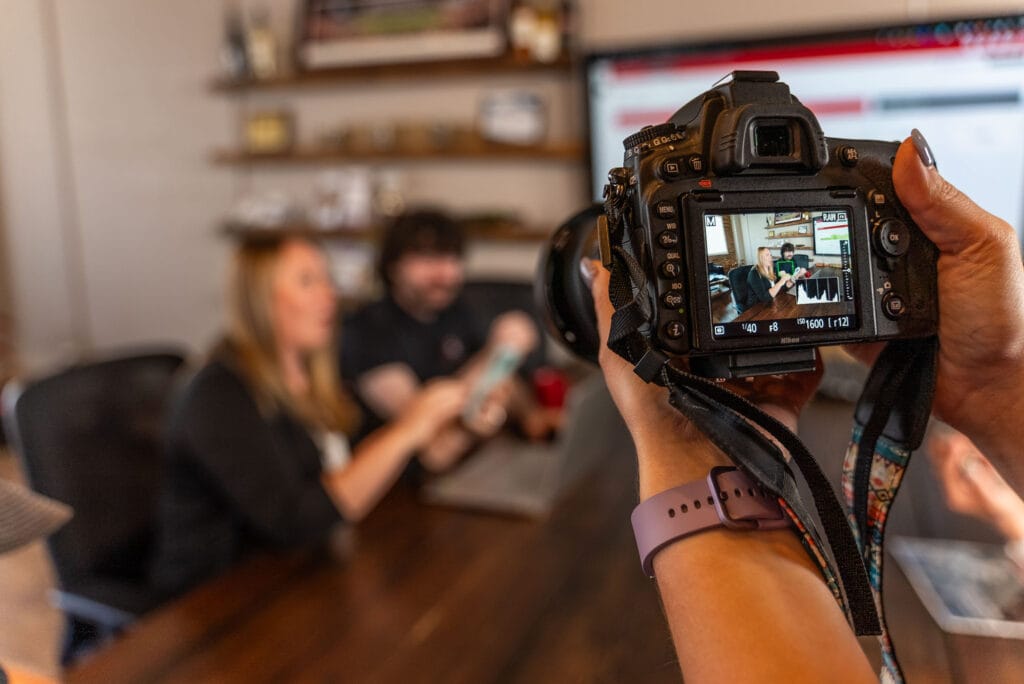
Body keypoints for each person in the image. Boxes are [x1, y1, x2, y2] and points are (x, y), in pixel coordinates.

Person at [589, 129, 1024, 680]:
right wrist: (997, 383)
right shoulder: (746, 278)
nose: (775, 257)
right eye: (770, 250)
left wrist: (685, 446)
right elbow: (749, 305)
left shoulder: (788, 274)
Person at [150, 236, 468, 598]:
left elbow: (375, 467)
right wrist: (408, 428)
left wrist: (457, 425)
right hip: (217, 603)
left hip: (301, 578)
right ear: (260, 299)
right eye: (308, 281)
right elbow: (294, 522)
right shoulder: (217, 394)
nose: (328, 295)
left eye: (327, 279)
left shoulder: (312, 376)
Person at [340, 209, 551, 470]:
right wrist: (495, 355)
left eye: (452, 258)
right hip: (402, 491)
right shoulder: (365, 331)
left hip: (470, 467)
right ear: (393, 266)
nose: (446, 273)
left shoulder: (456, 312)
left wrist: (533, 416)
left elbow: (505, 383)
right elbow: (429, 442)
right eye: (428, 259)